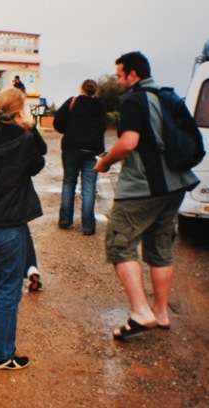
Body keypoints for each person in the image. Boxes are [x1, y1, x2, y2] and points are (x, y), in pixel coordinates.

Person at [94, 51, 199, 340]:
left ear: (133, 74)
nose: (118, 80)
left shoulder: (132, 99)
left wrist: (104, 162)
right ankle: (161, 313)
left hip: (143, 186)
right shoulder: (166, 96)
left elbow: (129, 143)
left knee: (119, 242)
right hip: (175, 184)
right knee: (160, 246)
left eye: (119, 75)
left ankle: (140, 311)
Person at [0, 88, 45, 369]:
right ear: (19, 111)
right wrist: (32, 128)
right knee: (10, 289)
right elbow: (39, 163)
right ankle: (0, 355)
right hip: (10, 225)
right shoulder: (24, 140)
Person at [54, 79, 106, 235]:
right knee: (89, 187)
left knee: (69, 182)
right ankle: (88, 226)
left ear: (81, 89)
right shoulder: (100, 105)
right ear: (95, 90)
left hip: (71, 148)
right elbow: (103, 127)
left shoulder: (73, 102)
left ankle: (65, 220)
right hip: (92, 151)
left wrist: (69, 130)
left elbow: (58, 122)